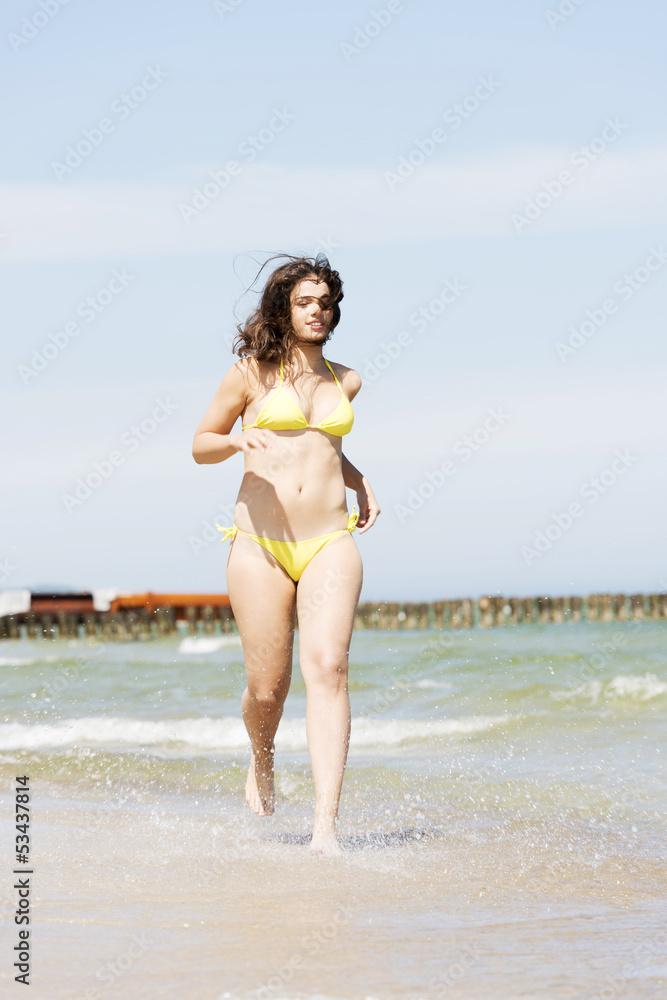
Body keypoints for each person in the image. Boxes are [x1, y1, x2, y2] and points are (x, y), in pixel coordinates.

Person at [192, 254, 381, 854]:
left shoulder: (345, 379)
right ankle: (262, 757)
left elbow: (322, 449)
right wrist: (232, 440)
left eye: (325, 302)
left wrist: (358, 478)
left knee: (328, 670)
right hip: (260, 545)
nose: (317, 311)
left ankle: (325, 828)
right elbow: (200, 444)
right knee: (267, 690)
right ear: (285, 308)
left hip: (329, 539)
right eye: (305, 302)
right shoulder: (249, 374)